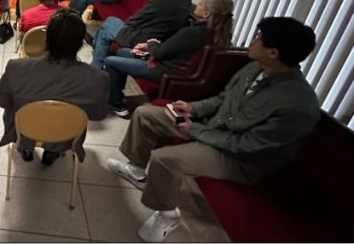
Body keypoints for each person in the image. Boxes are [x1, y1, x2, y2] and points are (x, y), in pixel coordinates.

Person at [105, 17, 321, 242]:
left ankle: (168, 214)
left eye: (258, 38)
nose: (252, 40)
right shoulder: (255, 68)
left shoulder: (298, 104)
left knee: (164, 159)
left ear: (273, 52)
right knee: (145, 114)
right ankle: (136, 169)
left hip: (241, 158)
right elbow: (223, 99)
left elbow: (247, 145)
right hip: (213, 126)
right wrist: (193, 108)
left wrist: (195, 131)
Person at [0, 8, 109, 166]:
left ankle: (25, 147)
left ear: (46, 39)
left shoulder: (16, 68)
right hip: (67, 137)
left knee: (13, 107)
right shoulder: (98, 79)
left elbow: (2, 101)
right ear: (80, 44)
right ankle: (53, 150)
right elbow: (98, 115)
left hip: (23, 132)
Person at [102, 0, 234, 114]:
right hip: (179, 69)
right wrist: (153, 46)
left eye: (200, 3)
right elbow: (172, 48)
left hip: (165, 71)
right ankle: (117, 95)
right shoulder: (222, 36)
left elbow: (158, 53)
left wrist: (151, 43)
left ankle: (116, 104)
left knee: (110, 62)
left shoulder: (193, 33)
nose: (196, 4)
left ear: (206, 14)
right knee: (122, 52)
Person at [90, 0, 193, 73]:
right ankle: (96, 47)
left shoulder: (162, 2)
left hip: (144, 40)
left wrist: (128, 27)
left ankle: (96, 68)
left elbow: (134, 20)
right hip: (157, 39)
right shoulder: (184, 1)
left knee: (106, 28)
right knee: (110, 22)